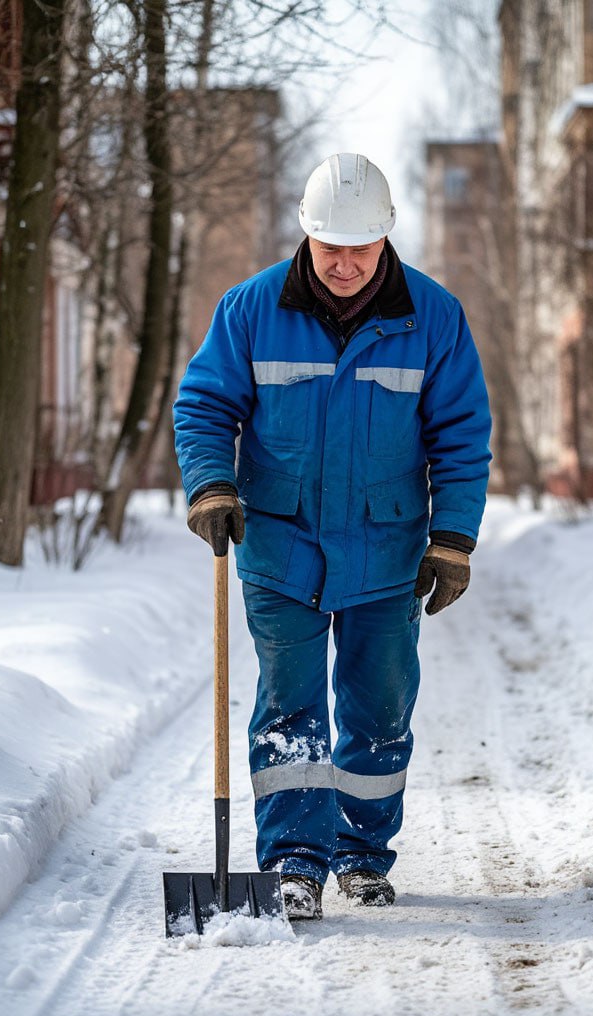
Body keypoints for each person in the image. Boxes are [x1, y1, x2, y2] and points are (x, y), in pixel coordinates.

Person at [173, 152, 492, 921]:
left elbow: (462, 435)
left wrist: (452, 538)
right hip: (280, 546)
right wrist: (212, 485)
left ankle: (361, 853)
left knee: (380, 707)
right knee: (289, 708)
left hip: (387, 551)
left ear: (385, 238)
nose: (345, 264)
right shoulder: (251, 310)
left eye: (360, 248)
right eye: (329, 248)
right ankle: (292, 860)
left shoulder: (434, 317)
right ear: (306, 236)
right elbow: (205, 405)